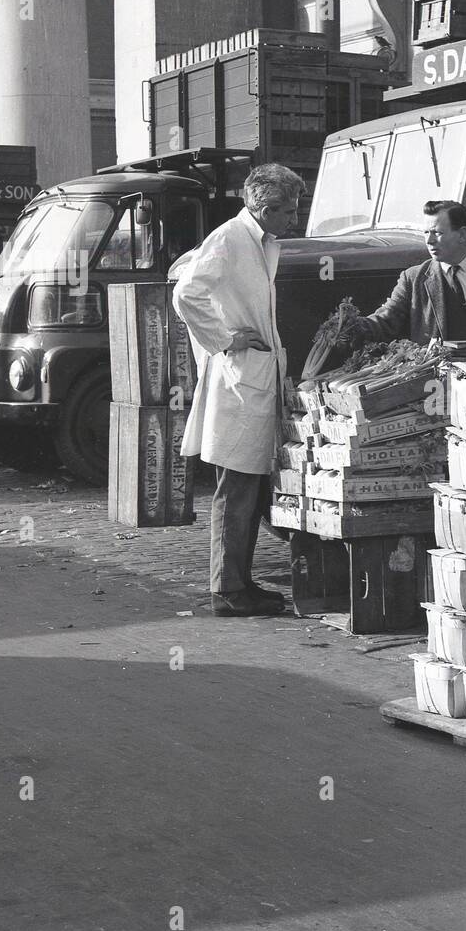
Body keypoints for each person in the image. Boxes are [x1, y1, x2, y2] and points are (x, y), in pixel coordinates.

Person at [170, 163, 305, 617]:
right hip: (240, 380)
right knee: (237, 486)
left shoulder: (261, 241)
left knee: (248, 486)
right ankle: (227, 589)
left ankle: (240, 583)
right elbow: (186, 293)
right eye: (288, 211)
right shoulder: (229, 239)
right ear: (265, 209)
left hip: (255, 376)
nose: (294, 218)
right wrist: (225, 340)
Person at [348, 199, 466, 345]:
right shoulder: (413, 279)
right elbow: (385, 321)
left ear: (462, 235)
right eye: (425, 233)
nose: (429, 241)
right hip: (437, 382)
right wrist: (349, 326)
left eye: (437, 233)